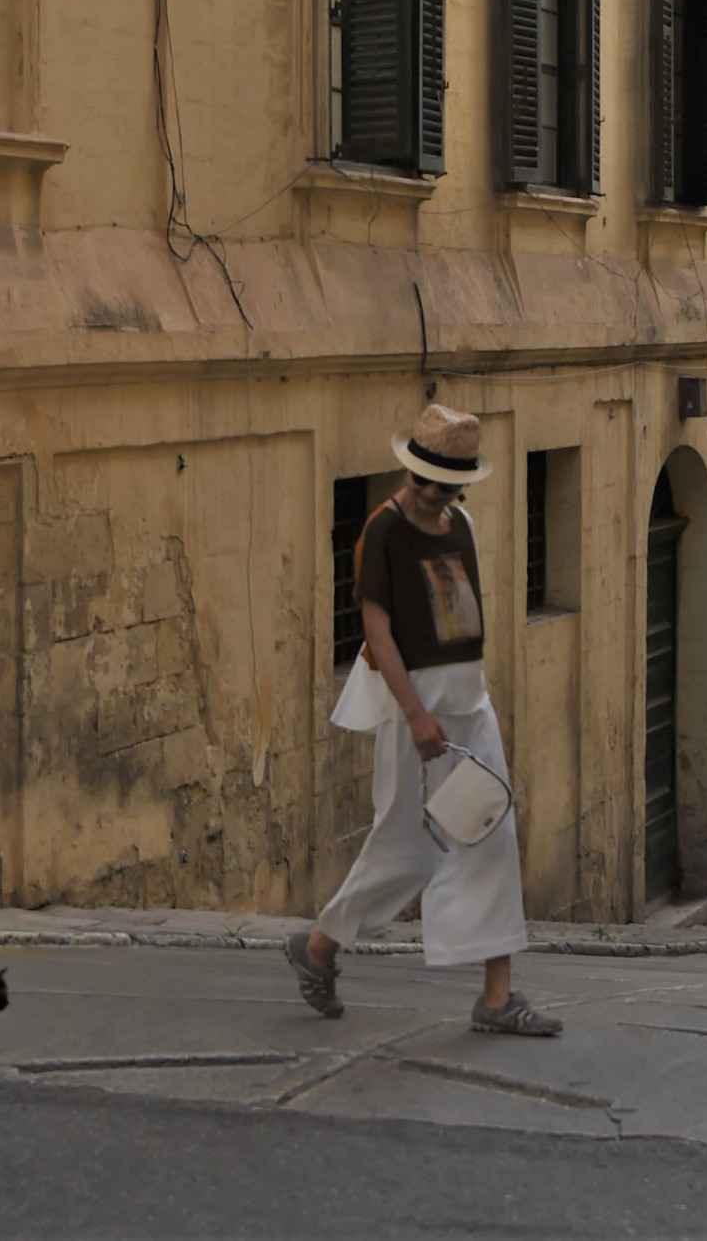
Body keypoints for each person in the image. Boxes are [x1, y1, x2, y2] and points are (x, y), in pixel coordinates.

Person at [284, 403, 561, 1036]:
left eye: (443, 484)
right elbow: (376, 627)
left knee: (492, 831)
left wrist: (468, 700)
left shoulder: (459, 523)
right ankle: (320, 946)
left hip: (470, 703)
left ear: (461, 484)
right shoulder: (382, 529)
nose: (430, 494)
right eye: (421, 481)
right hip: (418, 709)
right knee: (405, 846)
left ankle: (497, 999)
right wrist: (414, 716)